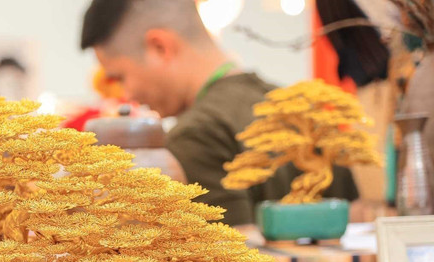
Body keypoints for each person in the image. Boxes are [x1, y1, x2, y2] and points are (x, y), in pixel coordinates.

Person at [80, 0, 359, 226]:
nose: (125, 96)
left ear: (159, 47)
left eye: (120, 77)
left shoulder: (196, 136)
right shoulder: (304, 106)